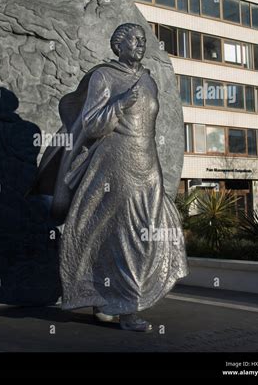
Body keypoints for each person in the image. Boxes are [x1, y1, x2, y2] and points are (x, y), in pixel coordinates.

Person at [34, 23, 189, 331]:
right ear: (118, 46)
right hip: (116, 166)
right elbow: (90, 125)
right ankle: (128, 310)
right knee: (127, 235)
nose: (140, 44)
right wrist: (120, 103)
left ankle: (104, 297)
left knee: (152, 229)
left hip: (148, 164)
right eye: (133, 40)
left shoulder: (148, 80)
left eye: (143, 40)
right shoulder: (103, 76)